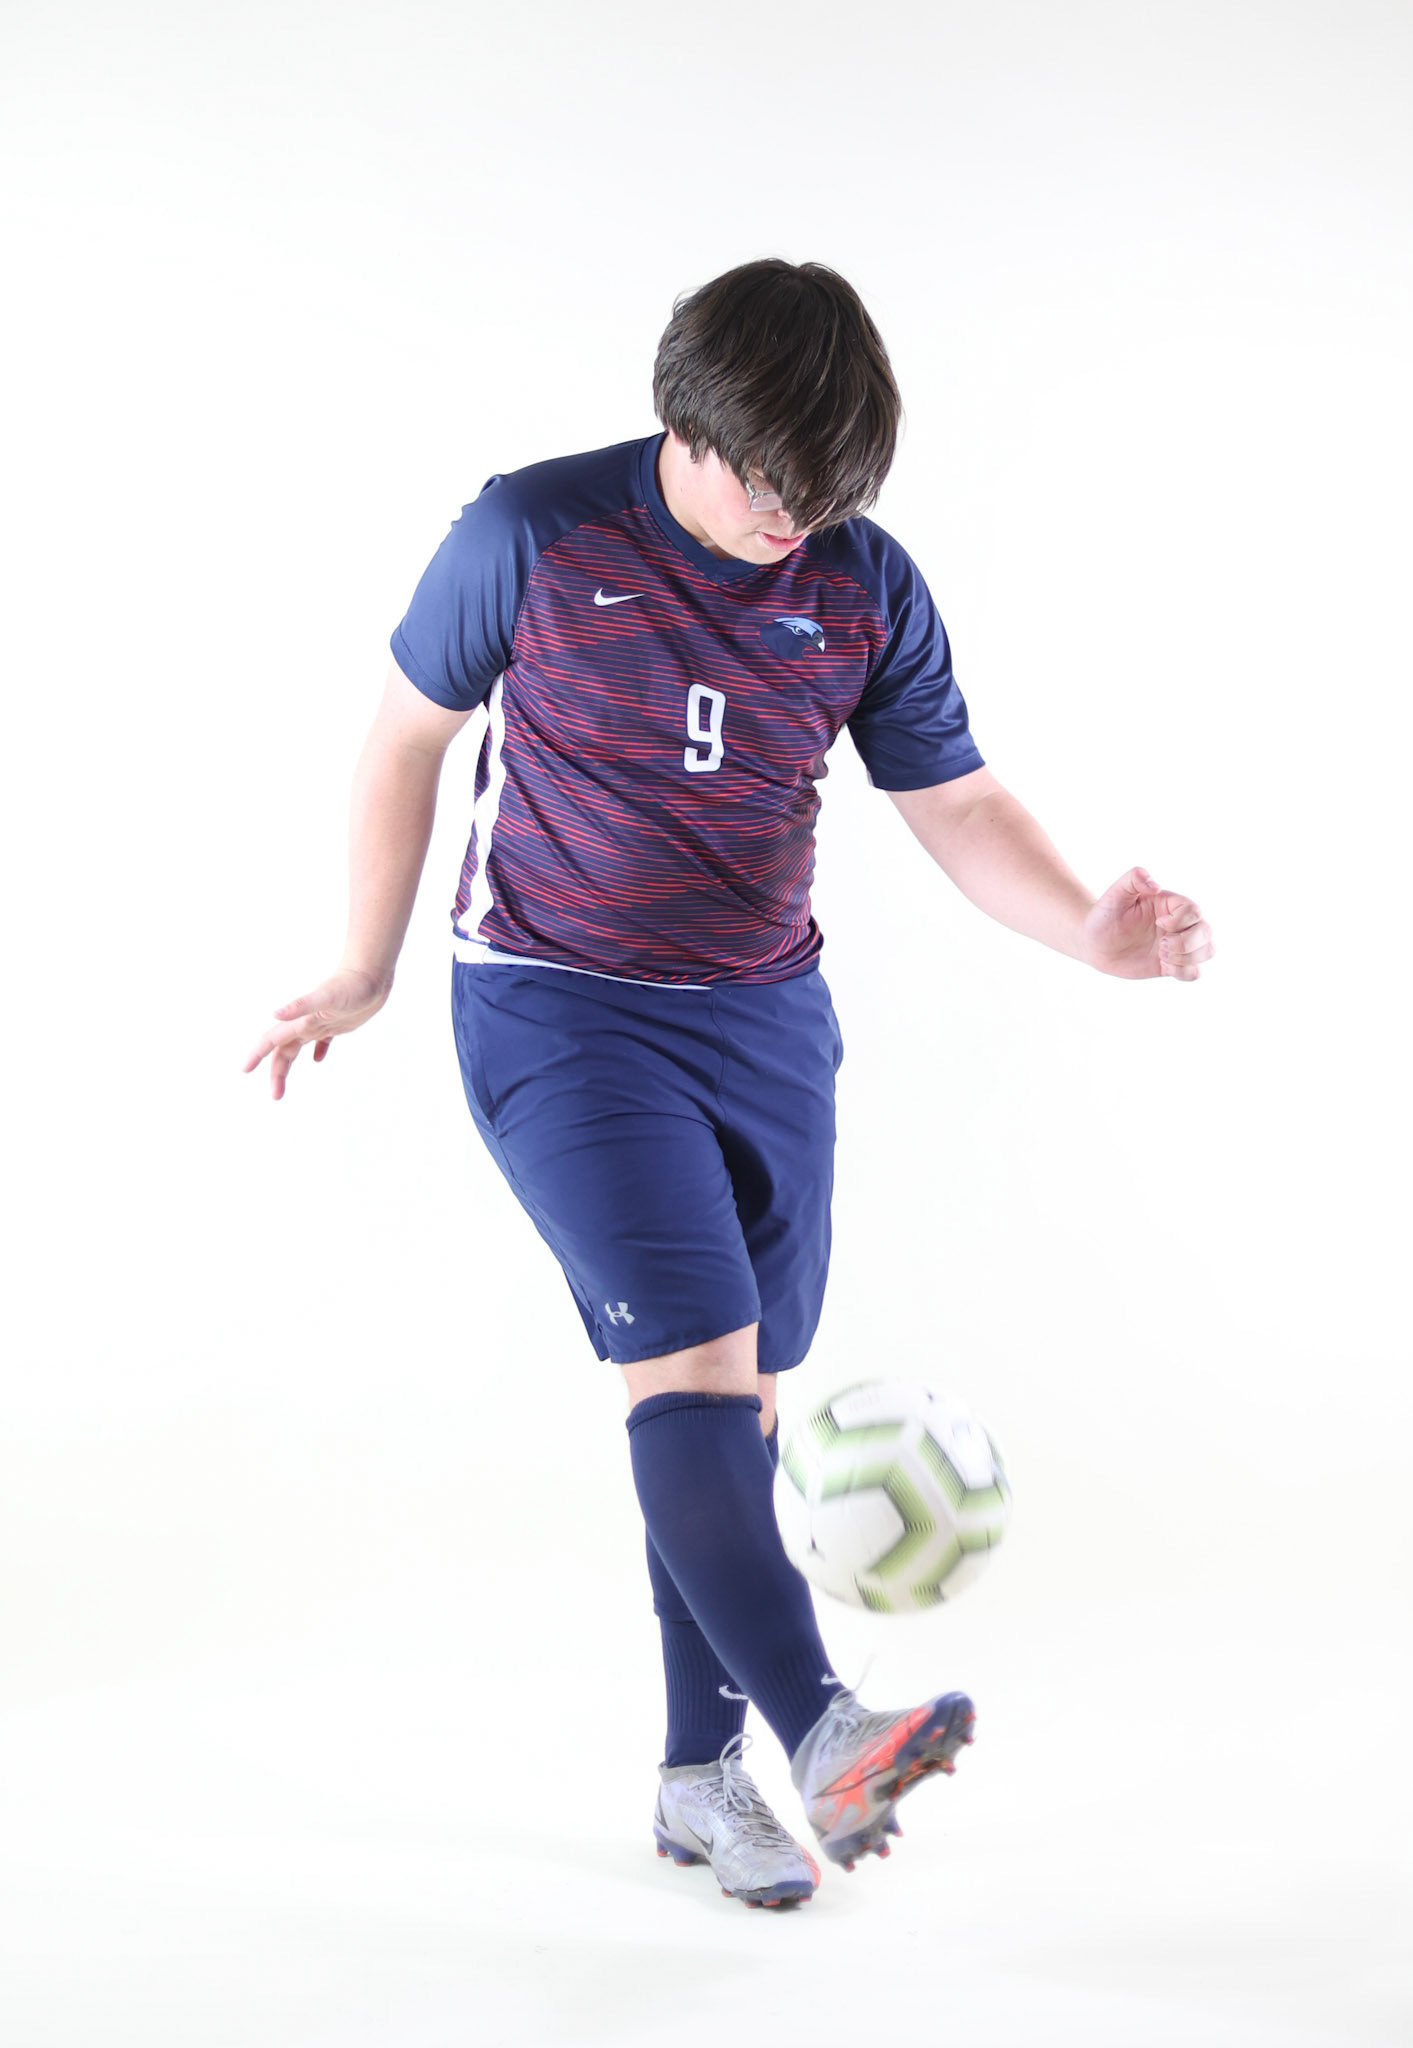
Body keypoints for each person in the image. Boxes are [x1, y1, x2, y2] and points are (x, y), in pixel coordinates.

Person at [245, 258, 1214, 1911]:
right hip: (558, 1014)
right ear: (679, 422)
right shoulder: (531, 536)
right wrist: (365, 962)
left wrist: (1086, 933)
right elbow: (404, 737)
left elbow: (958, 802)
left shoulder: (861, 582)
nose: (793, 519)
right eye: (769, 482)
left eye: (826, 494)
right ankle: (824, 1729)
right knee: (692, 1370)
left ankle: (699, 1782)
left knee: (732, 1405)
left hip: (765, 1023)